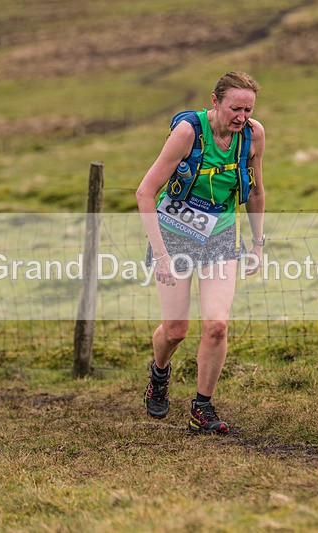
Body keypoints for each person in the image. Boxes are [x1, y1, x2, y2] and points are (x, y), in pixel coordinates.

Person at [135, 71, 266, 434]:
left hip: (221, 237)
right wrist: (161, 256)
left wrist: (257, 243)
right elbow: (145, 193)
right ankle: (159, 374)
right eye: (234, 108)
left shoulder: (253, 135)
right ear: (215, 101)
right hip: (174, 235)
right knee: (176, 330)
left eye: (248, 109)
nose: (241, 117)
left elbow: (255, 192)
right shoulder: (188, 133)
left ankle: (201, 409)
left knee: (217, 326)